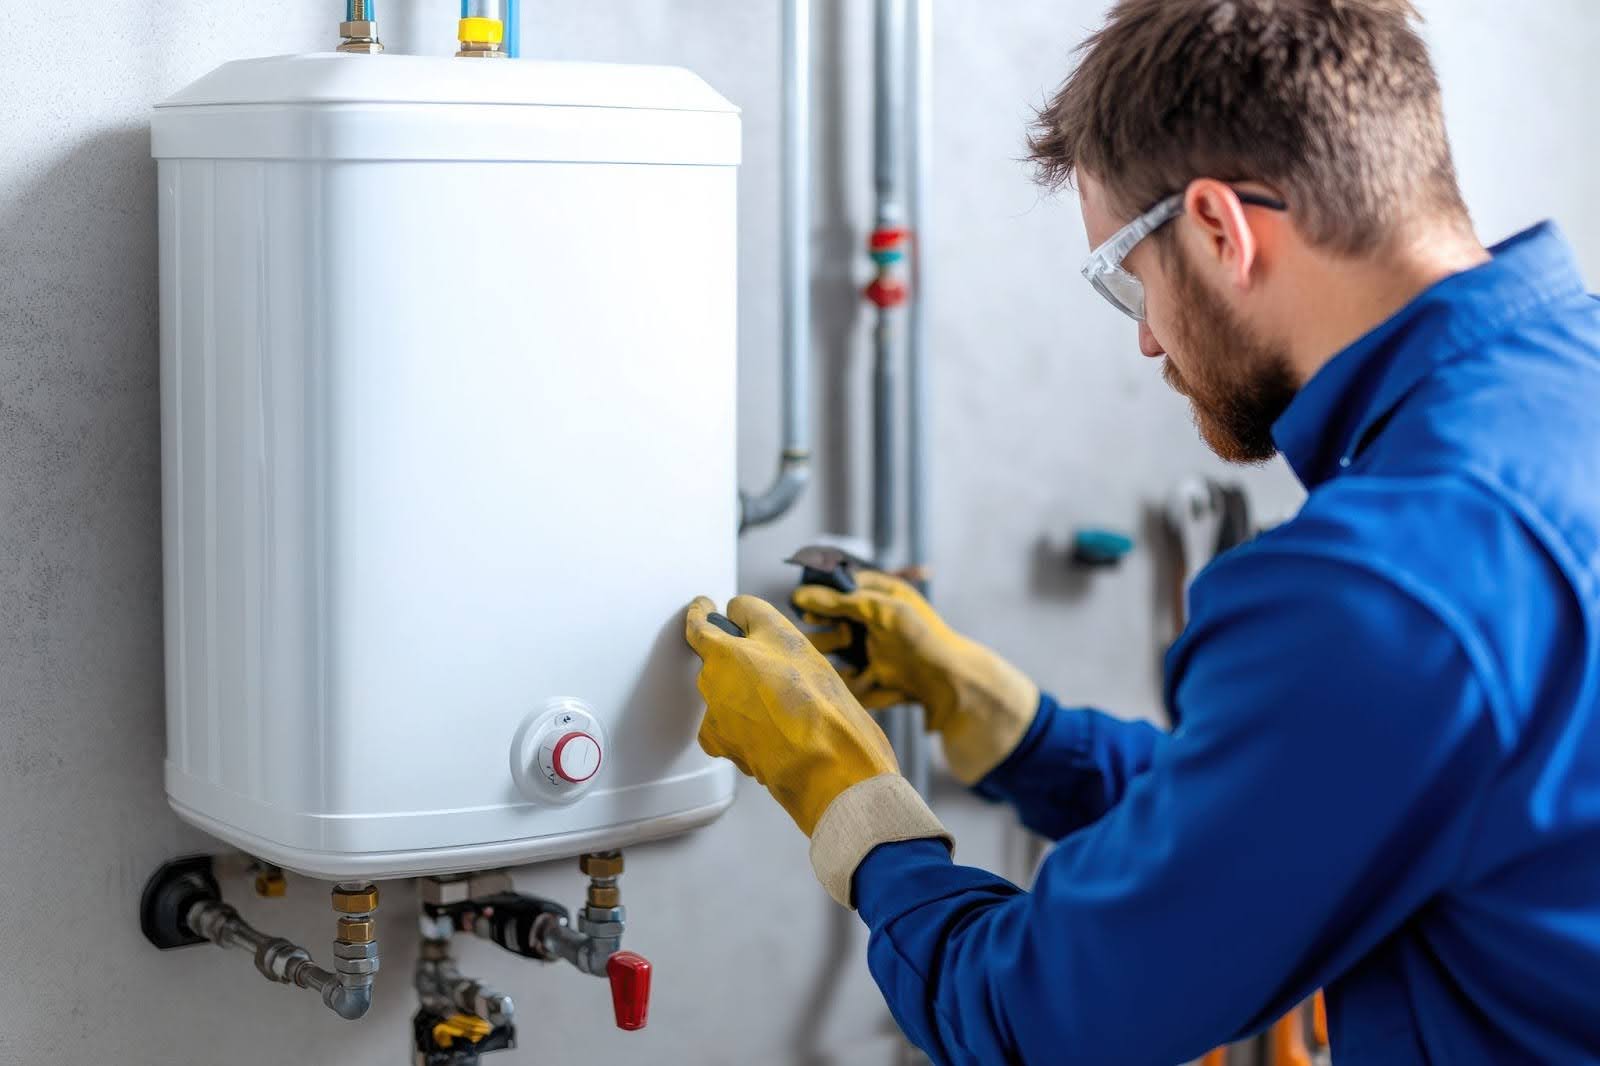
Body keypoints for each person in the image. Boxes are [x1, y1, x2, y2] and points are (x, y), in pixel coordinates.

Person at [684, 1, 1600, 1061]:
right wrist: (1017, 727)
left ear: (1218, 228)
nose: (1148, 342)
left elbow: (1035, 1020)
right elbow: (1321, 806)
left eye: (1125, 278)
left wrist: (842, 787)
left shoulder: (1383, 583)